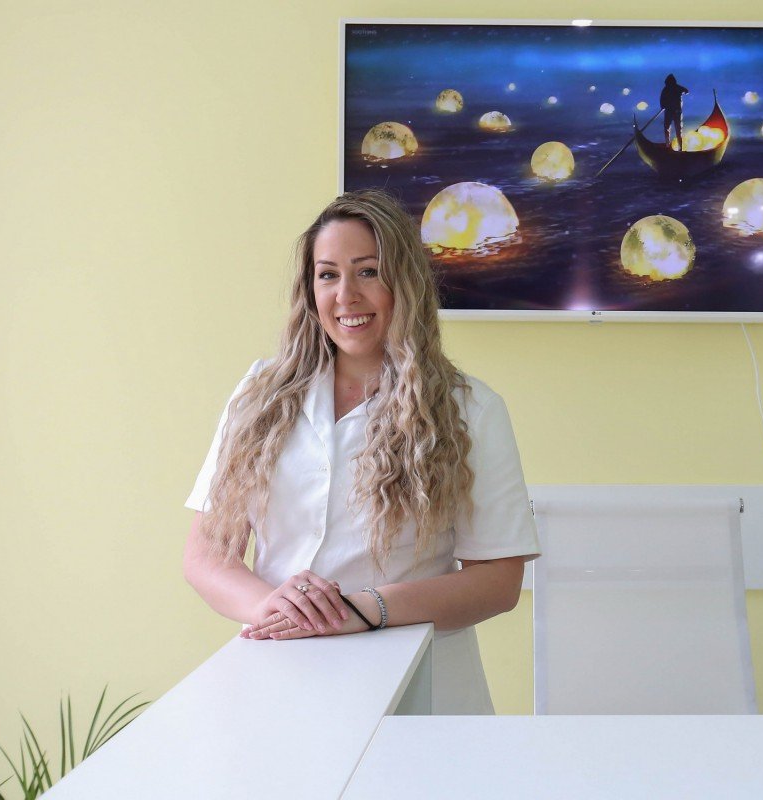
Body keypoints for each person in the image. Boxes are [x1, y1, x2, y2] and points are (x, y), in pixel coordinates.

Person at [183, 189, 539, 715]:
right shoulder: (258, 394)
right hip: (278, 681)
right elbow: (207, 556)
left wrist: (365, 609)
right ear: (310, 290)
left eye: (368, 272)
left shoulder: (472, 409)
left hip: (419, 691)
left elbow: (498, 582)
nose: (346, 295)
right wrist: (274, 607)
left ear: (405, 283)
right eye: (327, 275)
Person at [660, 73, 689, 151]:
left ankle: (675, 147)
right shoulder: (671, 89)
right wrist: (663, 106)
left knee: (675, 130)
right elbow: (662, 100)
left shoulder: (669, 89)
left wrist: (662, 106)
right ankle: (669, 145)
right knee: (673, 129)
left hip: (675, 112)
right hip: (672, 112)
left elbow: (686, 91)